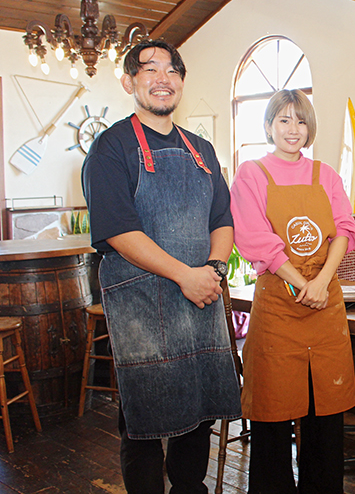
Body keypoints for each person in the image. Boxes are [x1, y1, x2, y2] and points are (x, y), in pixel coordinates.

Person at [81, 39, 242, 494]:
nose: (162, 78)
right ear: (129, 81)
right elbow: (119, 231)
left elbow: (222, 219)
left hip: (200, 297)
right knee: (145, 417)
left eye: (172, 70)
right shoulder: (110, 149)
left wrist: (212, 270)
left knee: (200, 409)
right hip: (142, 305)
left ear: (182, 81)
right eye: (149, 69)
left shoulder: (201, 149)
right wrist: (185, 275)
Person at [230, 89, 355, 494]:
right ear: (269, 126)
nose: (293, 129)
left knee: (326, 413)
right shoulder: (252, 174)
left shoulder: (326, 174)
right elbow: (256, 239)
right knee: (272, 412)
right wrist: (304, 284)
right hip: (278, 307)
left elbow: (344, 230)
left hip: (325, 304)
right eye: (284, 120)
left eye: (301, 121)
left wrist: (321, 282)